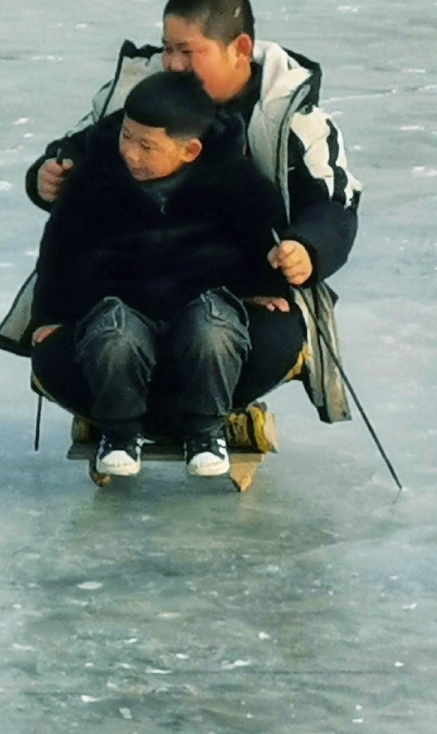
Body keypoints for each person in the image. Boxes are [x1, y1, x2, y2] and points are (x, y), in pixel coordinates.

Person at [25, 71, 299, 480]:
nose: (131, 154)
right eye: (126, 138)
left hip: (204, 309)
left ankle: (205, 430)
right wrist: (50, 315)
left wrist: (266, 290)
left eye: (146, 146)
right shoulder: (94, 180)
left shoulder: (237, 182)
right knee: (114, 334)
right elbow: (60, 250)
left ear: (189, 151)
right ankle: (118, 433)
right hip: (120, 309)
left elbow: (261, 240)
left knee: (213, 329)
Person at [25, 0, 359, 291]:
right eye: (167, 48)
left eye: (187, 51)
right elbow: (79, 144)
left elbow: (333, 204)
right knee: (64, 342)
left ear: (241, 49)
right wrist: (50, 174)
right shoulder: (135, 91)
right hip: (129, 273)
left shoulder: (293, 119)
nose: (172, 63)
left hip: (251, 280)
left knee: (271, 343)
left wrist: (307, 247)